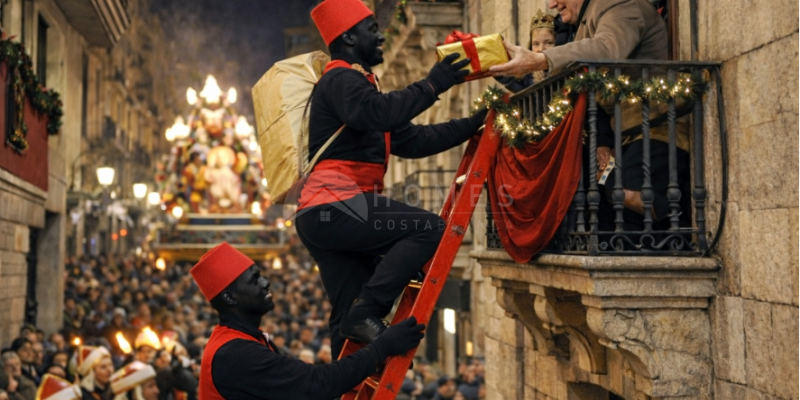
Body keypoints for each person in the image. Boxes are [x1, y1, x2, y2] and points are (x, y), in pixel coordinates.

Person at [298, 0, 487, 358]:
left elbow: (413, 140)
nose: (381, 36)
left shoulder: (359, 88)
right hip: (335, 205)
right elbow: (381, 113)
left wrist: (472, 123)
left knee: (347, 316)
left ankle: (347, 385)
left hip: (325, 212)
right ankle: (368, 311)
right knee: (428, 229)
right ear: (349, 38)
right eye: (372, 30)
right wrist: (434, 83)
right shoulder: (340, 79)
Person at [492, 0, 689, 230]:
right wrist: (603, 145)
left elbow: (606, 49)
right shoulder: (585, 22)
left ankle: (677, 229)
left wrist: (540, 59)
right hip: (623, 137)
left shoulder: (620, 3)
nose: (553, 4)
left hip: (656, 128)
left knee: (623, 193)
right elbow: (587, 90)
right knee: (603, 204)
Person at [190, 242, 426, 400]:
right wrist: (383, 346)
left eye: (261, 276)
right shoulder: (234, 353)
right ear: (230, 297)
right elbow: (317, 383)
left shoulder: (242, 340)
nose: (265, 283)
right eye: (254, 280)